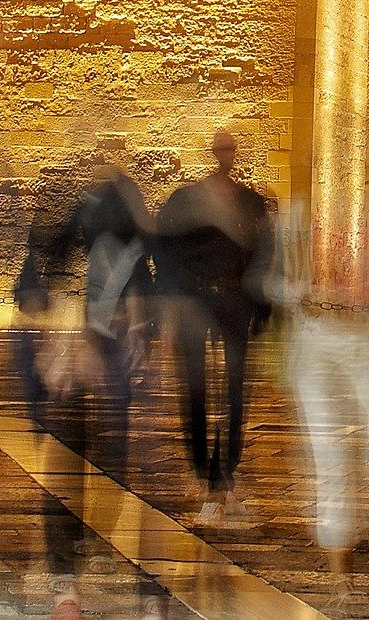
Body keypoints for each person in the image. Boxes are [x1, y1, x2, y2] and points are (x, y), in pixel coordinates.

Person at [17, 165, 164, 620]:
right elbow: (39, 289)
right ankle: (66, 578)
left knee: (111, 468)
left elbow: (145, 296)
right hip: (73, 362)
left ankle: (77, 570)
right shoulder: (73, 244)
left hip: (108, 360)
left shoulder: (134, 249)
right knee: (66, 466)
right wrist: (60, 346)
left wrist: (138, 332)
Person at [153, 127, 276, 525]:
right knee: (195, 390)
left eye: (230, 148)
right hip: (196, 301)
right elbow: (163, 243)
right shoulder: (187, 199)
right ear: (214, 152)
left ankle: (224, 472)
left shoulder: (249, 202)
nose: (226, 154)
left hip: (234, 301)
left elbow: (265, 251)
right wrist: (173, 293)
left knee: (234, 391)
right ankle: (204, 470)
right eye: (220, 148)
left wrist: (259, 301)